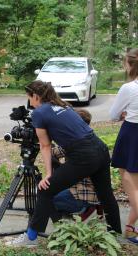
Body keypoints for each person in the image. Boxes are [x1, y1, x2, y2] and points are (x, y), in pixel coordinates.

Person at [7, 80, 121, 247]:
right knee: (106, 195)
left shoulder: (39, 113)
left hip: (83, 156)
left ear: (36, 96)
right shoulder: (63, 105)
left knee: (45, 190)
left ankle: (30, 238)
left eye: (29, 98)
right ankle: (114, 236)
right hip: (100, 149)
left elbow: (45, 146)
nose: (30, 102)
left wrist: (48, 174)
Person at [52, 109, 103, 222]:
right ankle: (92, 206)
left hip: (82, 194)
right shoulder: (93, 139)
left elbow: (53, 152)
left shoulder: (74, 141)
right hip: (97, 192)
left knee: (47, 199)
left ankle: (85, 210)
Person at [110, 48, 138, 243]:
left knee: (131, 184)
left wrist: (124, 114)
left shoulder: (129, 88)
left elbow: (113, 115)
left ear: (130, 65)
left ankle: (130, 229)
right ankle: (129, 228)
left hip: (132, 134)